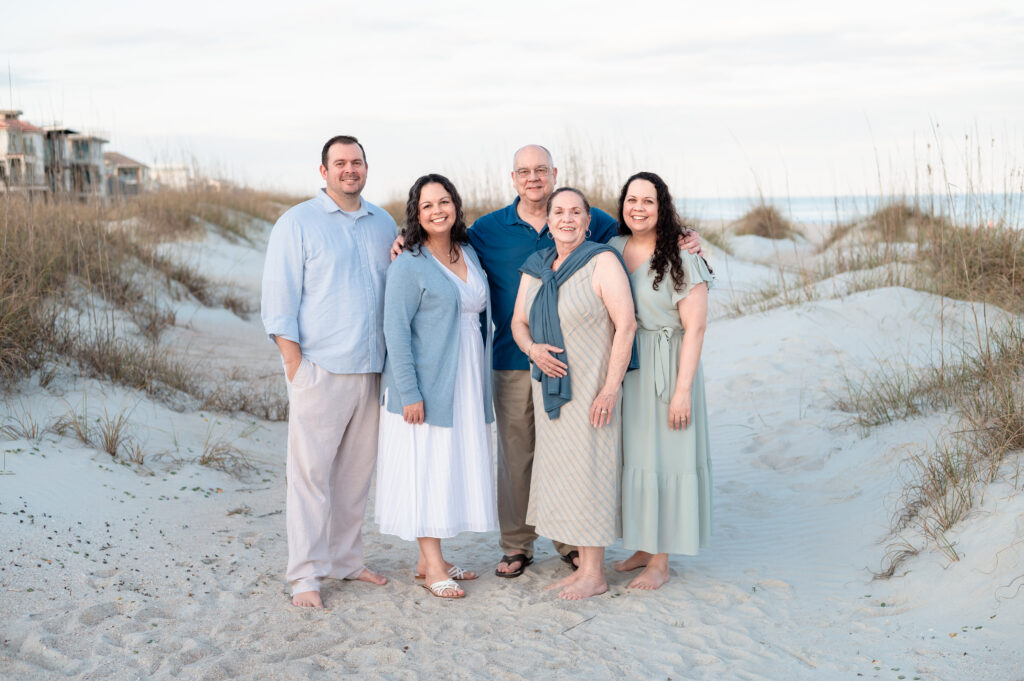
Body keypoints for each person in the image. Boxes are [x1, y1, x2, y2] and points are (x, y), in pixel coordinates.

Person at [394, 145, 702, 577]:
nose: (533, 177)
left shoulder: (593, 221)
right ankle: (517, 545)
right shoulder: (488, 229)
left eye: (541, 170)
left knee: (569, 456)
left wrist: (686, 237)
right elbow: (444, 240)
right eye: (524, 171)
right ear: (513, 177)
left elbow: (642, 228)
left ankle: (569, 541)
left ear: (555, 174)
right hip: (512, 360)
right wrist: (405, 237)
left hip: (579, 366)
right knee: (517, 458)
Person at [261, 135, 393, 608]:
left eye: (356, 161)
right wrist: (296, 367)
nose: (349, 170)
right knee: (311, 477)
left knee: (355, 477)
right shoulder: (296, 223)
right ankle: (306, 576)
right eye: (340, 163)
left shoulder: (384, 223)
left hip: (372, 369)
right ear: (324, 171)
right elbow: (278, 304)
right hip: (320, 369)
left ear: (365, 166)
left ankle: (346, 560)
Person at [509, 187, 637, 599]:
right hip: (548, 385)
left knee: (592, 473)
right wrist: (532, 350)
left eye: (576, 212)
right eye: (559, 212)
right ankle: (584, 569)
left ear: (587, 220)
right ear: (547, 221)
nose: (567, 219)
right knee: (568, 477)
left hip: (591, 389)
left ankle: (594, 574)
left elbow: (626, 325)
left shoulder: (602, 261)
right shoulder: (536, 266)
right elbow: (518, 323)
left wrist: (610, 389)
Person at [376, 174, 497, 599]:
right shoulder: (408, 263)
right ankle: (431, 567)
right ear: (416, 213)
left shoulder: (469, 253)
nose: (437, 211)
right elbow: (395, 330)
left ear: (456, 206)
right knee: (426, 466)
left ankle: (433, 561)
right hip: (427, 382)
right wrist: (409, 392)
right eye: (427, 206)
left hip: (465, 378)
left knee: (449, 465)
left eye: (444, 201)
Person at [609, 172, 713, 590]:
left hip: (669, 366)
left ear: (662, 207)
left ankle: (662, 560)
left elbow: (697, 328)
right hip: (630, 368)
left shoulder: (681, 255)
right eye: (631, 199)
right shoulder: (613, 249)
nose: (638, 208)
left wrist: (682, 390)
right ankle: (643, 545)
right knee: (637, 458)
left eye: (648, 201)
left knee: (668, 458)